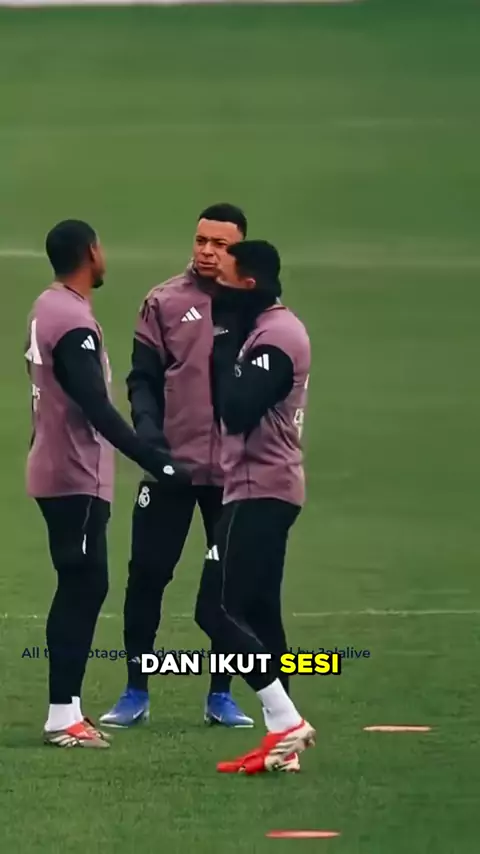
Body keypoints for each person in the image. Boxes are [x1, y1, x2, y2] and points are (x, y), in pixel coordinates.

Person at [25, 219, 190, 748]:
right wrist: (156, 459)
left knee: (84, 582)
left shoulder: (49, 306)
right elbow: (95, 406)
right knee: (82, 584)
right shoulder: (72, 320)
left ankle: (68, 711)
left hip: (57, 467)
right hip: (72, 473)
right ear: (91, 252)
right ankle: (62, 717)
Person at [100, 204, 253, 729]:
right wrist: (149, 437)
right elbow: (142, 379)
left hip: (233, 474)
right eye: (201, 240)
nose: (207, 251)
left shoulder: (257, 309)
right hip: (170, 468)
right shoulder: (163, 301)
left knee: (228, 586)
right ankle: (135, 690)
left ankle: (221, 696)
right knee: (146, 575)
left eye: (220, 244)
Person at [194, 240, 315, 774]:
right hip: (257, 487)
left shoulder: (277, 336)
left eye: (223, 282)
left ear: (248, 285)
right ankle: (281, 746)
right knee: (261, 614)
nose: (214, 292)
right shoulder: (263, 331)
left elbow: (238, 409)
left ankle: (285, 720)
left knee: (215, 610)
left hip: (260, 489)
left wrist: (222, 338)